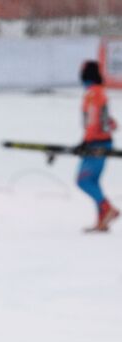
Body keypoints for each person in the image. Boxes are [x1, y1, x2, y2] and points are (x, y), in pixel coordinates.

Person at [76, 60, 119, 232]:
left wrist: (86, 141)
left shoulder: (93, 94)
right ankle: (103, 218)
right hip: (101, 140)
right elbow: (106, 121)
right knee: (92, 181)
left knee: (84, 180)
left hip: (96, 143)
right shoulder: (100, 92)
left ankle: (107, 208)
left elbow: (93, 120)